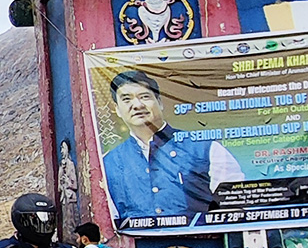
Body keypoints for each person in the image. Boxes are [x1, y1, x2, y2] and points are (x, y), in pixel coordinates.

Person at [102, 69, 244, 225]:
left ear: (160, 102)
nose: (137, 105)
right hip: (140, 247)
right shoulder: (109, 163)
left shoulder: (205, 147)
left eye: (144, 97)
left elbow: (235, 206)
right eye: (126, 99)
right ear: (117, 110)